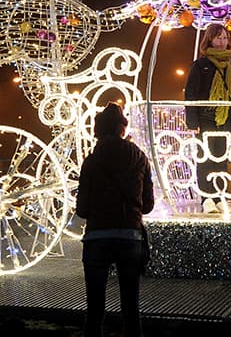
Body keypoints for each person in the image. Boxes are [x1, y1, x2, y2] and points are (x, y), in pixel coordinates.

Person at [75, 102, 155, 337]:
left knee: (94, 310)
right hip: (130, 236)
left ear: (98, 130)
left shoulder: (91, 162)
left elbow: (82, 209)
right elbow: (148, 205)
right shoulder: (140, 158)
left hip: (97, 236)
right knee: (131, 308)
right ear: (123, 129)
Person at [184, 22, 231, 213]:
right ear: (209, 39)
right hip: (205, 118)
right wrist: (192, 121)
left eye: (225, 37)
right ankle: (206, 198)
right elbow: (191, 93)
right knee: (205, 158)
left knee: (221, 159)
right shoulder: (201, 64)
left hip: (225, 119)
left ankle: (219, 197)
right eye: (218, 37)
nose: (222, 41)